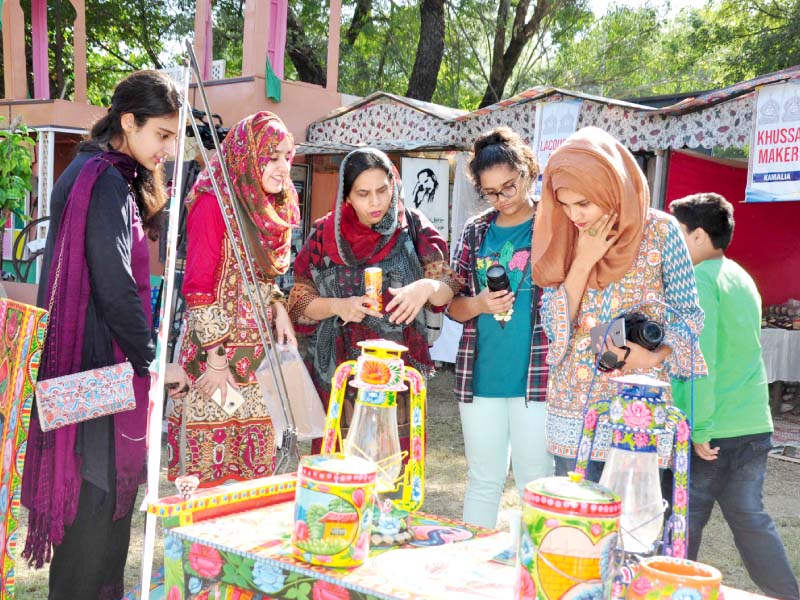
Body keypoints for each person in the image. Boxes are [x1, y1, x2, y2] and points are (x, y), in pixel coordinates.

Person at [21, 70, 181, 599]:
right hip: (96, 377)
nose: (167, 148)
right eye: (161, 134)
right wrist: (154, 359)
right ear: (129, 122)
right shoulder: (104, 180)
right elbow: (116, 289)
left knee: (96, 521)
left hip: (86, 372)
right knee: (94, 519)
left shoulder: (97, 172)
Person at [532, 126, 706, 482]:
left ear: (611, 188)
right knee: (580, 523)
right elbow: (554, 327)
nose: (575, 215)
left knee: (634, 523)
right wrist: (582, 260)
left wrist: (653, 356)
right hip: (573, 407)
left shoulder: (660, 231)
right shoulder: (565, 234)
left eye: (584, 203)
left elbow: (688, 313)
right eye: (565, 205)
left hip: (637, 397)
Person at [669, 193, 799, 600]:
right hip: (753, 423)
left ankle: (670, 589)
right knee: (749, 518)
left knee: (683, 520)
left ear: (699, 236)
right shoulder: (741, 276)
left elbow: (698, 358)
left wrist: (699, 425)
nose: (672, 245)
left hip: (714, 429)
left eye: (677, 235)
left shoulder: (699, 280)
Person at [288, 148, 460, 455]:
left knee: (393, 462)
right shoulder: (325, 235)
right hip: (339, 370)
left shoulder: (414, 228)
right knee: (340, 467)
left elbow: (448, 285)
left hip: (397, 372)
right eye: (363, 193)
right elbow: (300, 300)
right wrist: (338, 306)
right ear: (347, 196)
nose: (376, 202)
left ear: (394, 184)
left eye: (383, 190)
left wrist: (425, 286)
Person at [166, 111, 299, 487]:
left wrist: (278, 307)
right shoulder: (214, 203)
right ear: (247, 155)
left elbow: (260, 278)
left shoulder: (269, 207)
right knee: (206, 477)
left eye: (287, 157)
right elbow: (198, 288)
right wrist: (216, 358)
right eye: (271, 157)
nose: (282, 168)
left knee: (251, 480)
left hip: (256, 363)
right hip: (213, 364)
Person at [448, 127, 551, 529]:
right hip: (481, 378)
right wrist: (480, 304)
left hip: (538, 380)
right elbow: (454, 306)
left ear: (529, 171)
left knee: (536, 485)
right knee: (483, 481)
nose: (502, 199)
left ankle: (537, 577)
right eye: (491, 192)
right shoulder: (476, 230)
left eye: (510, 186)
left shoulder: (553, 223)